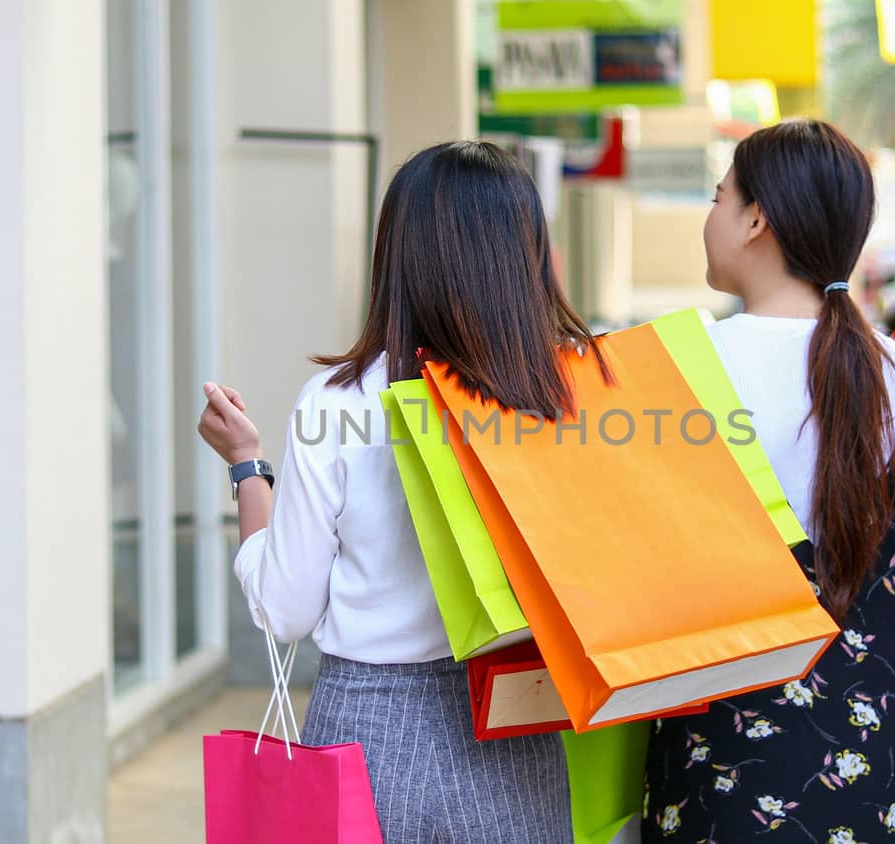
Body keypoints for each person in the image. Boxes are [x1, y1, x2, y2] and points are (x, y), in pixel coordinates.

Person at [196, 141, 602, 843]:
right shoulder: (572, 396)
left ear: (398, 254)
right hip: (514, 720)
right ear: (527, 255)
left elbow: (285, 609)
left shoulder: (336, 402)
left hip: (365, 729)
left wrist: (245, 468)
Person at [643, 119, 895, 843]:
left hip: (719, 752)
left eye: (719, 198)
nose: (710, 218)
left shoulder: (674, 366)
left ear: (757, 219)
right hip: (872, 750)